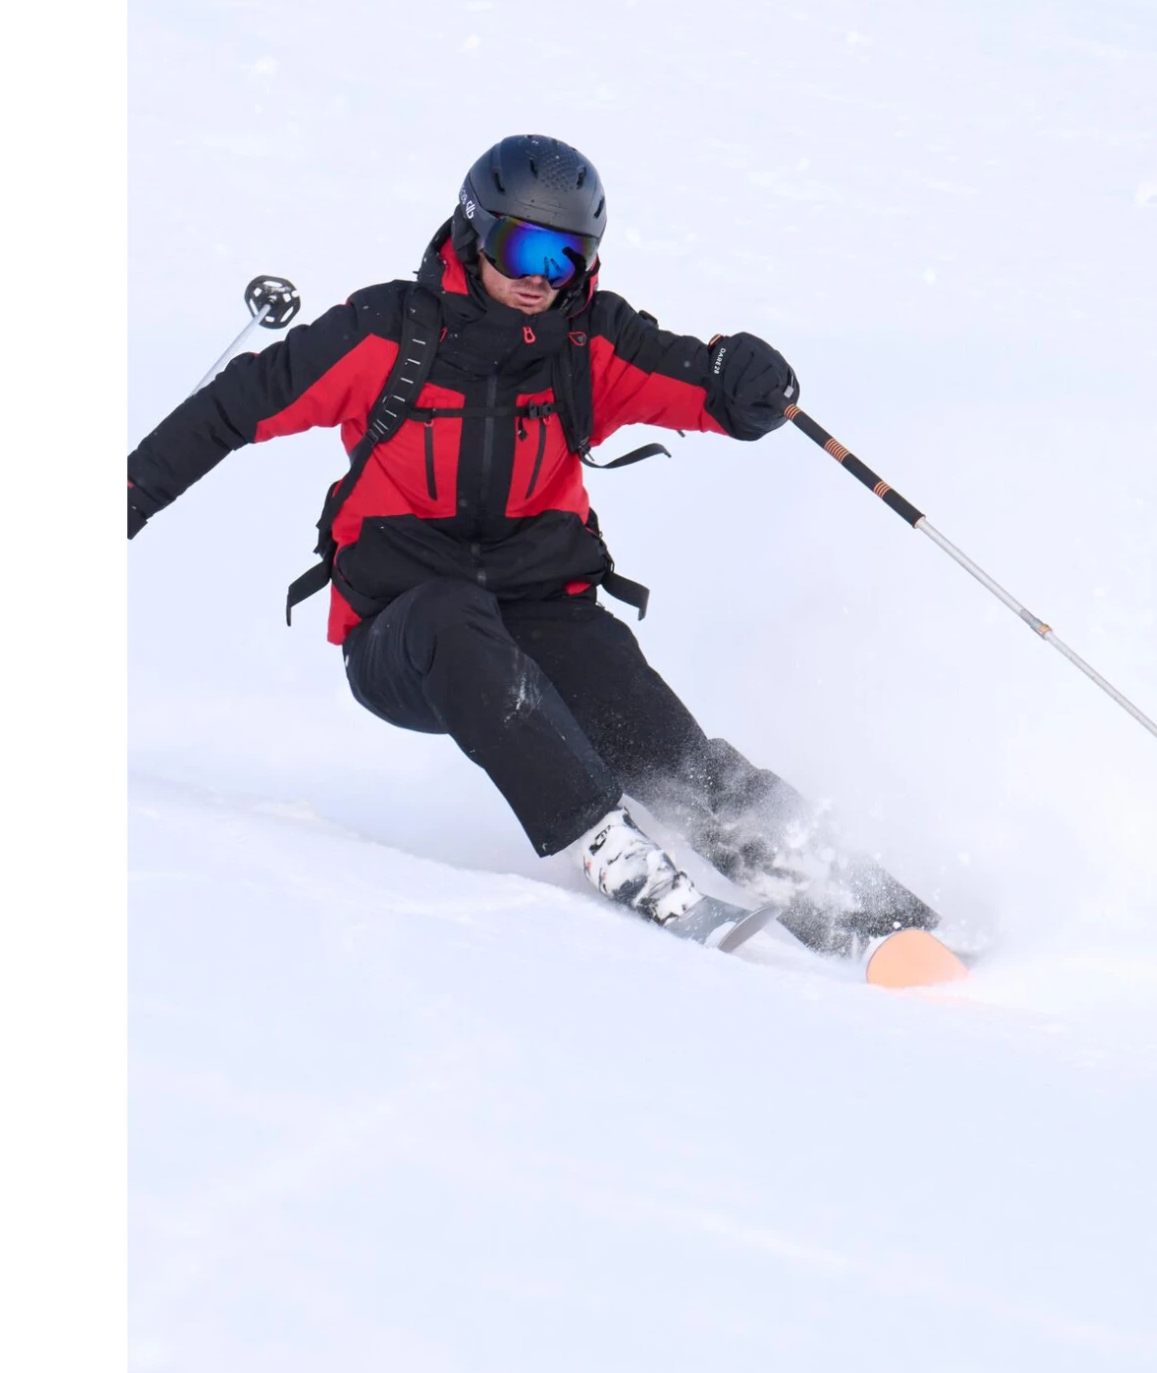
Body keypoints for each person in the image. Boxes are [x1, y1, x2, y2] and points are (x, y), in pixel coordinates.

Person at [128, 133, 937, 956]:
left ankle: (870, 915)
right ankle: (612, 849)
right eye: (523, 248)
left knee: (675, 759)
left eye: (566, 257)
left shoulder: (589, 344)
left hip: (546, 619)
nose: (540, 277)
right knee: (450, 616)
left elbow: (700, 384)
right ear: (474, 231)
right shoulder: (384, 335)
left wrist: (742, 380)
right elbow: (232, 408)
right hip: (406, 641)